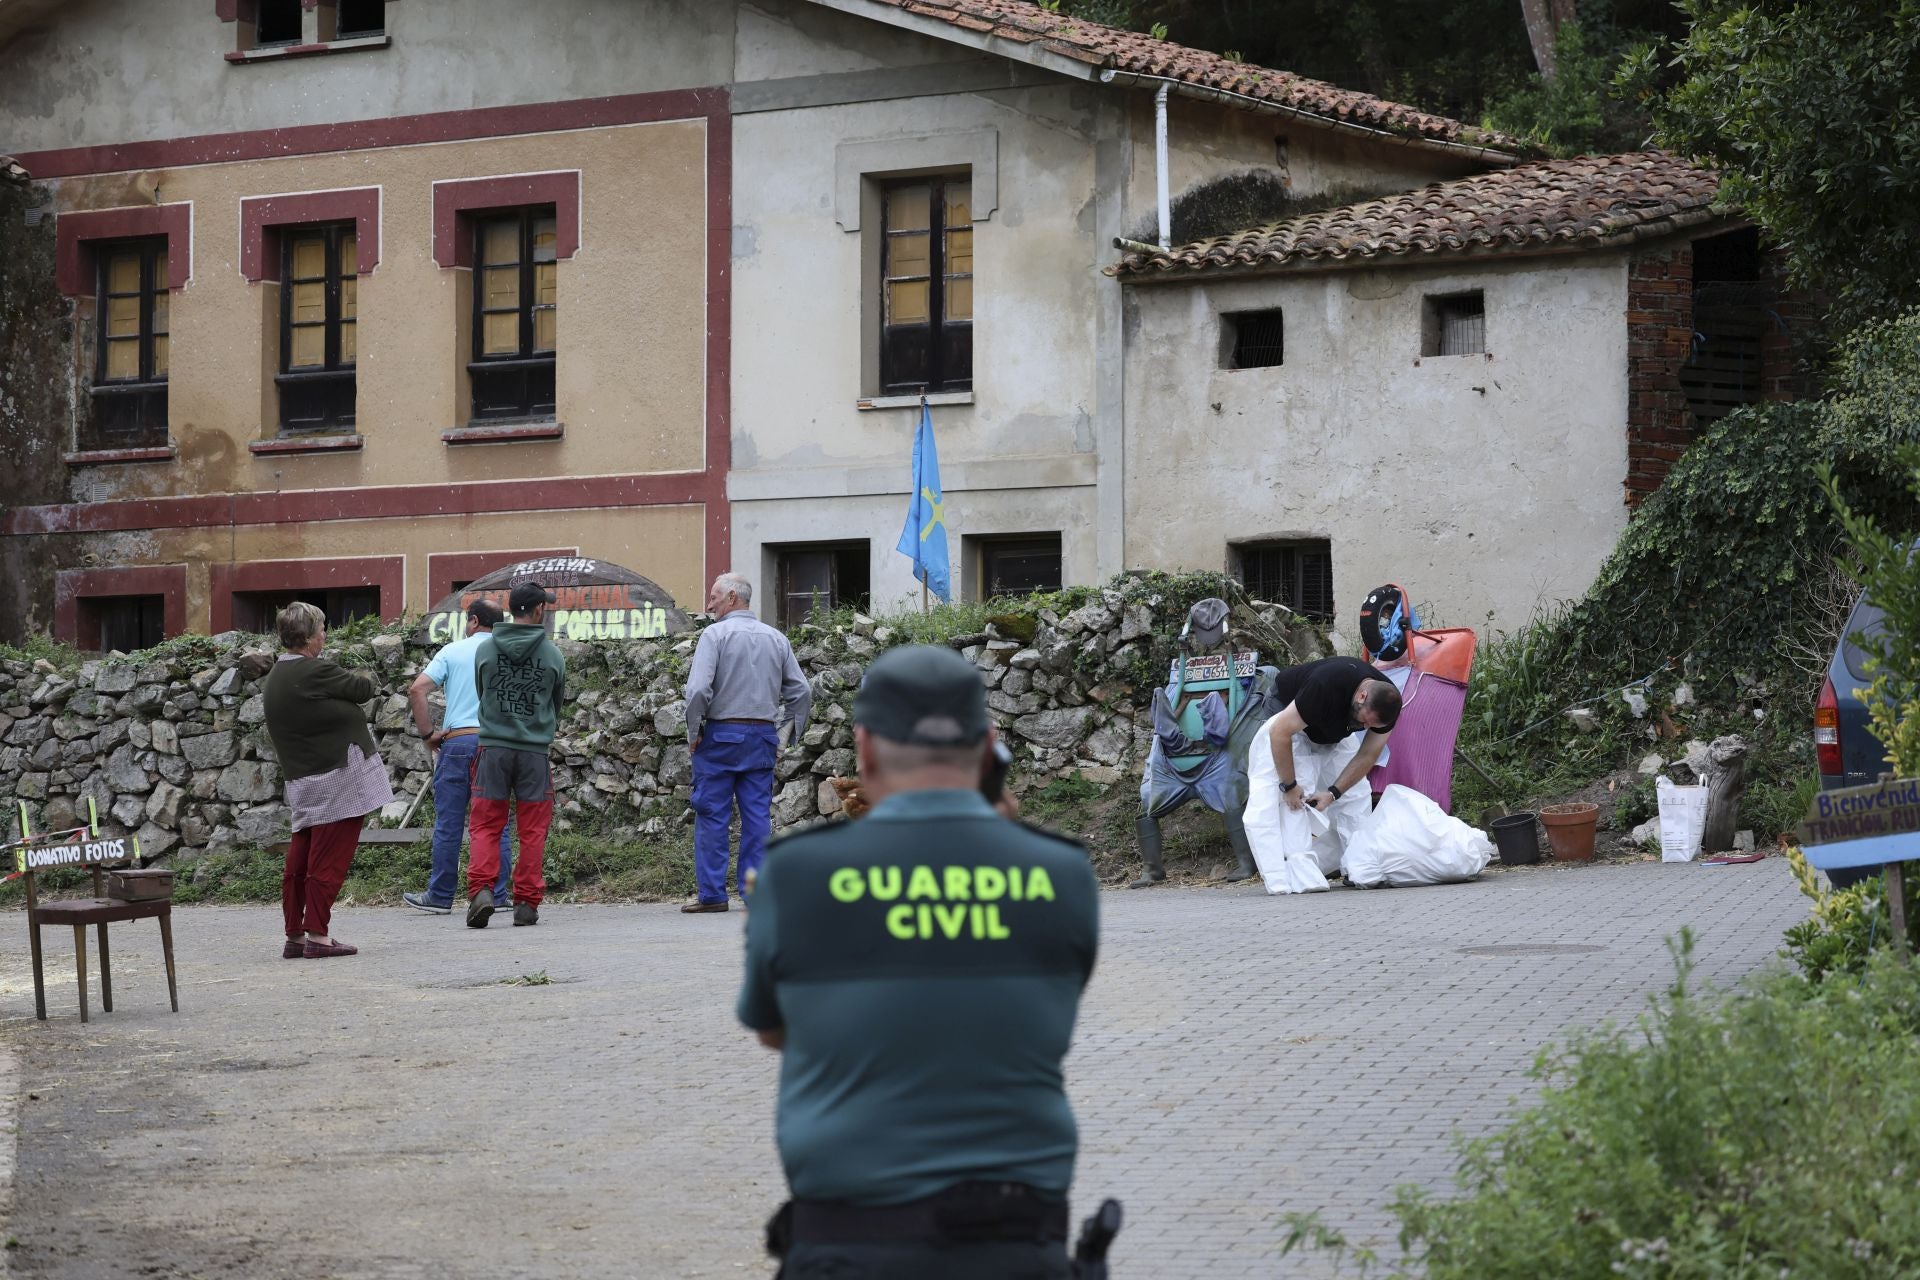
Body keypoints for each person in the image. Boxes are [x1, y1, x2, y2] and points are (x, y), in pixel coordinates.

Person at [738, 645, 1099, 1278]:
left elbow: (776, 1029)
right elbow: (1036, 1011)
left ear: (865, 748)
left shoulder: (796, 874)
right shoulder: (1062, 872)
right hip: (1019, 1243)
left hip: (848, 1239)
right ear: (988, 746)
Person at [262, 601, 395, 959]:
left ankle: (296, 934)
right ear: (307, 635)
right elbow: (362, 688)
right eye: (321, 628)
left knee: (302, 858)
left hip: (306, 780)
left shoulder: (279, 673)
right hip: (334, 778)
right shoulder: (312, 671)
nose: (324, 634)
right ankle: (318, 935)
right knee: (328, 857)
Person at [680, 572, 812, 914]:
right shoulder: (776, 638)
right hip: (762, 737)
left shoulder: (715, 635)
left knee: (712, 815)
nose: (709, 604)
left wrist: (694, 733)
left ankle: (712, 895)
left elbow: (697, 691)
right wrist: (784, 735)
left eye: (714, 597)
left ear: (733, 597)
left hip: (721, 736)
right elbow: (801, 692)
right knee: (757, 819)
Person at [1243, 656, 1402, 889]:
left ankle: (1359, 865)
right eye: (1365, 722)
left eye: (1371, 727)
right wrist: (1288, 786)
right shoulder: (1324, 685)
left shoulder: (1386, 706)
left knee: (1356, 794)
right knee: (1296, 792)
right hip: (1290, 716)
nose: (1366, 728)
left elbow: (1368, 755)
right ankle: (1290, 871)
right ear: (1362, 696)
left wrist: (1333, 792)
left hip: (1332, 726)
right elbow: (1280, 733)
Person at [402, 598, 514, 914]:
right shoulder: (509, 653)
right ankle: (498, 893)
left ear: (474, 621)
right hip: (497, 743)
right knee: (497, 823)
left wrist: (428, 735)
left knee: (449, 822)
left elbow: (417, 690)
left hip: (458, 742)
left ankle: (440, 896)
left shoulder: (452, 651)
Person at [465, 581, 567, 929]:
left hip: (492, 749)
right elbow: (556, 704)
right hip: (533, 753)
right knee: (533, 831)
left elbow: (483, 693)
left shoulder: (486, 650)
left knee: (485, 826)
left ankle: (481, 892)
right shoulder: (552, 655)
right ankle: (526, 902)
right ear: (538, 610)